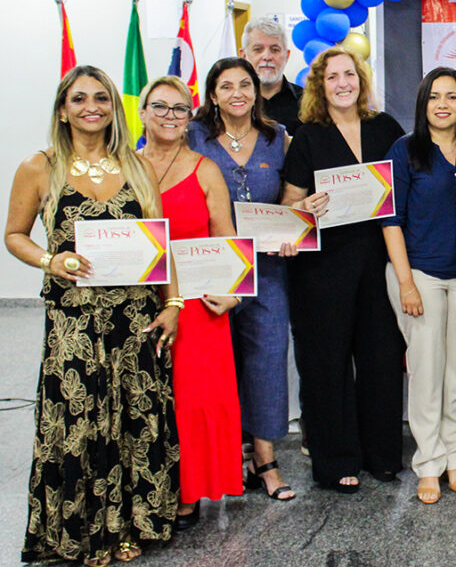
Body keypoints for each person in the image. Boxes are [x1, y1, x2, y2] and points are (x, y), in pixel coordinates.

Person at [6, 66, 180, 566]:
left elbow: (159, 241)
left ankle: (131, 525)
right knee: (77, 423)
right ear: (63, 109)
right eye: (79, 98)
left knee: (135, 420)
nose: (91, 106)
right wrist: (49, 260)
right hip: (74, 321)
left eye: (101, 98)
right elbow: (14, 234)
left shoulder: (138, 165)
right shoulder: (39, 166)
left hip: (135, 317)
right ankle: (80, 534)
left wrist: (172, 303)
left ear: (113, 108)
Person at [281, 47, 406, 492]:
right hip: (322, 268)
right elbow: (288, 205)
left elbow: (403, 188)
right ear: (320, 85)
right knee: (326, 365)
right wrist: (303, 207)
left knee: (381, 359)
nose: (342, 83)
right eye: (332, 77)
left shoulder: (385, 128)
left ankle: (383, 454)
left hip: (379, 261)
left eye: (349, 74)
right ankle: (336, 460)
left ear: (361, 79)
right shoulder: (307, 135)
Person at [138, 75, 245, 528]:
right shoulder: (123, 167)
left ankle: (187, 491)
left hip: (199, 305)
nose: (169, 116)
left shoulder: (205, 169)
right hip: (137, 300)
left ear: (190, 118)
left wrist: (233, 294)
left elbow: (227, 239)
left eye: (179, 109)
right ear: (141, 112)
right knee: (141, 398)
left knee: (193, 400)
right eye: (160, 107)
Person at [188, 57, 296, 502]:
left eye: (245, 85)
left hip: (267, 271)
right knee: (219, 366)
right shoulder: (193, 136)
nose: (237, 93)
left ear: (256, 91)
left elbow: (294, 198)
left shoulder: (277, 138)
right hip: (211, 272)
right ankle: (226, 454)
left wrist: (297, 229)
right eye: (226, 85)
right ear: (212, 94)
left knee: (268, 360)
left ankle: (265, 459)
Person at [383, 67, 456, 504]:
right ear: (423, 103)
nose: (443, 104)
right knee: (426, 374)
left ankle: (455, 459)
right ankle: (428, 464)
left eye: (452, 96)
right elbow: (391, 221)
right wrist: (406, 282)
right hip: (418, 275)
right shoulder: (405, 150)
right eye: (434, 97)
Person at [240, 17, 304, 136]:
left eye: (275, 50)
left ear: (287, 55)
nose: (267, 57)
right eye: (258, 49)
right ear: (243, 55)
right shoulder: (232, 103)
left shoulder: (307, 102)